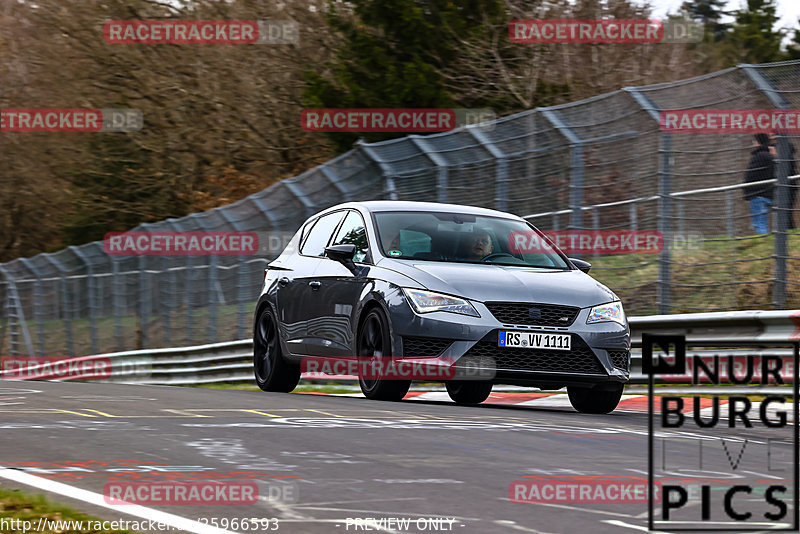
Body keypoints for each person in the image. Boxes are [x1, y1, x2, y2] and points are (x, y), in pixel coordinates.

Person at [743, 133, 775, 235]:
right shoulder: (770, 156)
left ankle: (763, 242)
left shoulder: (760, 156)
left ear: (758, 142)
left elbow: (751, 175)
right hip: (769, 193)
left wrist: (747, 191)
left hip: (758, 194)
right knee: (763, 222)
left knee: (759, 223)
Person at [768, 132, 798, 230]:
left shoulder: (785, 146)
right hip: (780, 184)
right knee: (782, 211)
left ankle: (789, 232)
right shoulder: (773, 146)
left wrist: (775, 155)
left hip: (789, 185)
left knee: (786, 210)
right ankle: (787, 232)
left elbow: (786, 165)